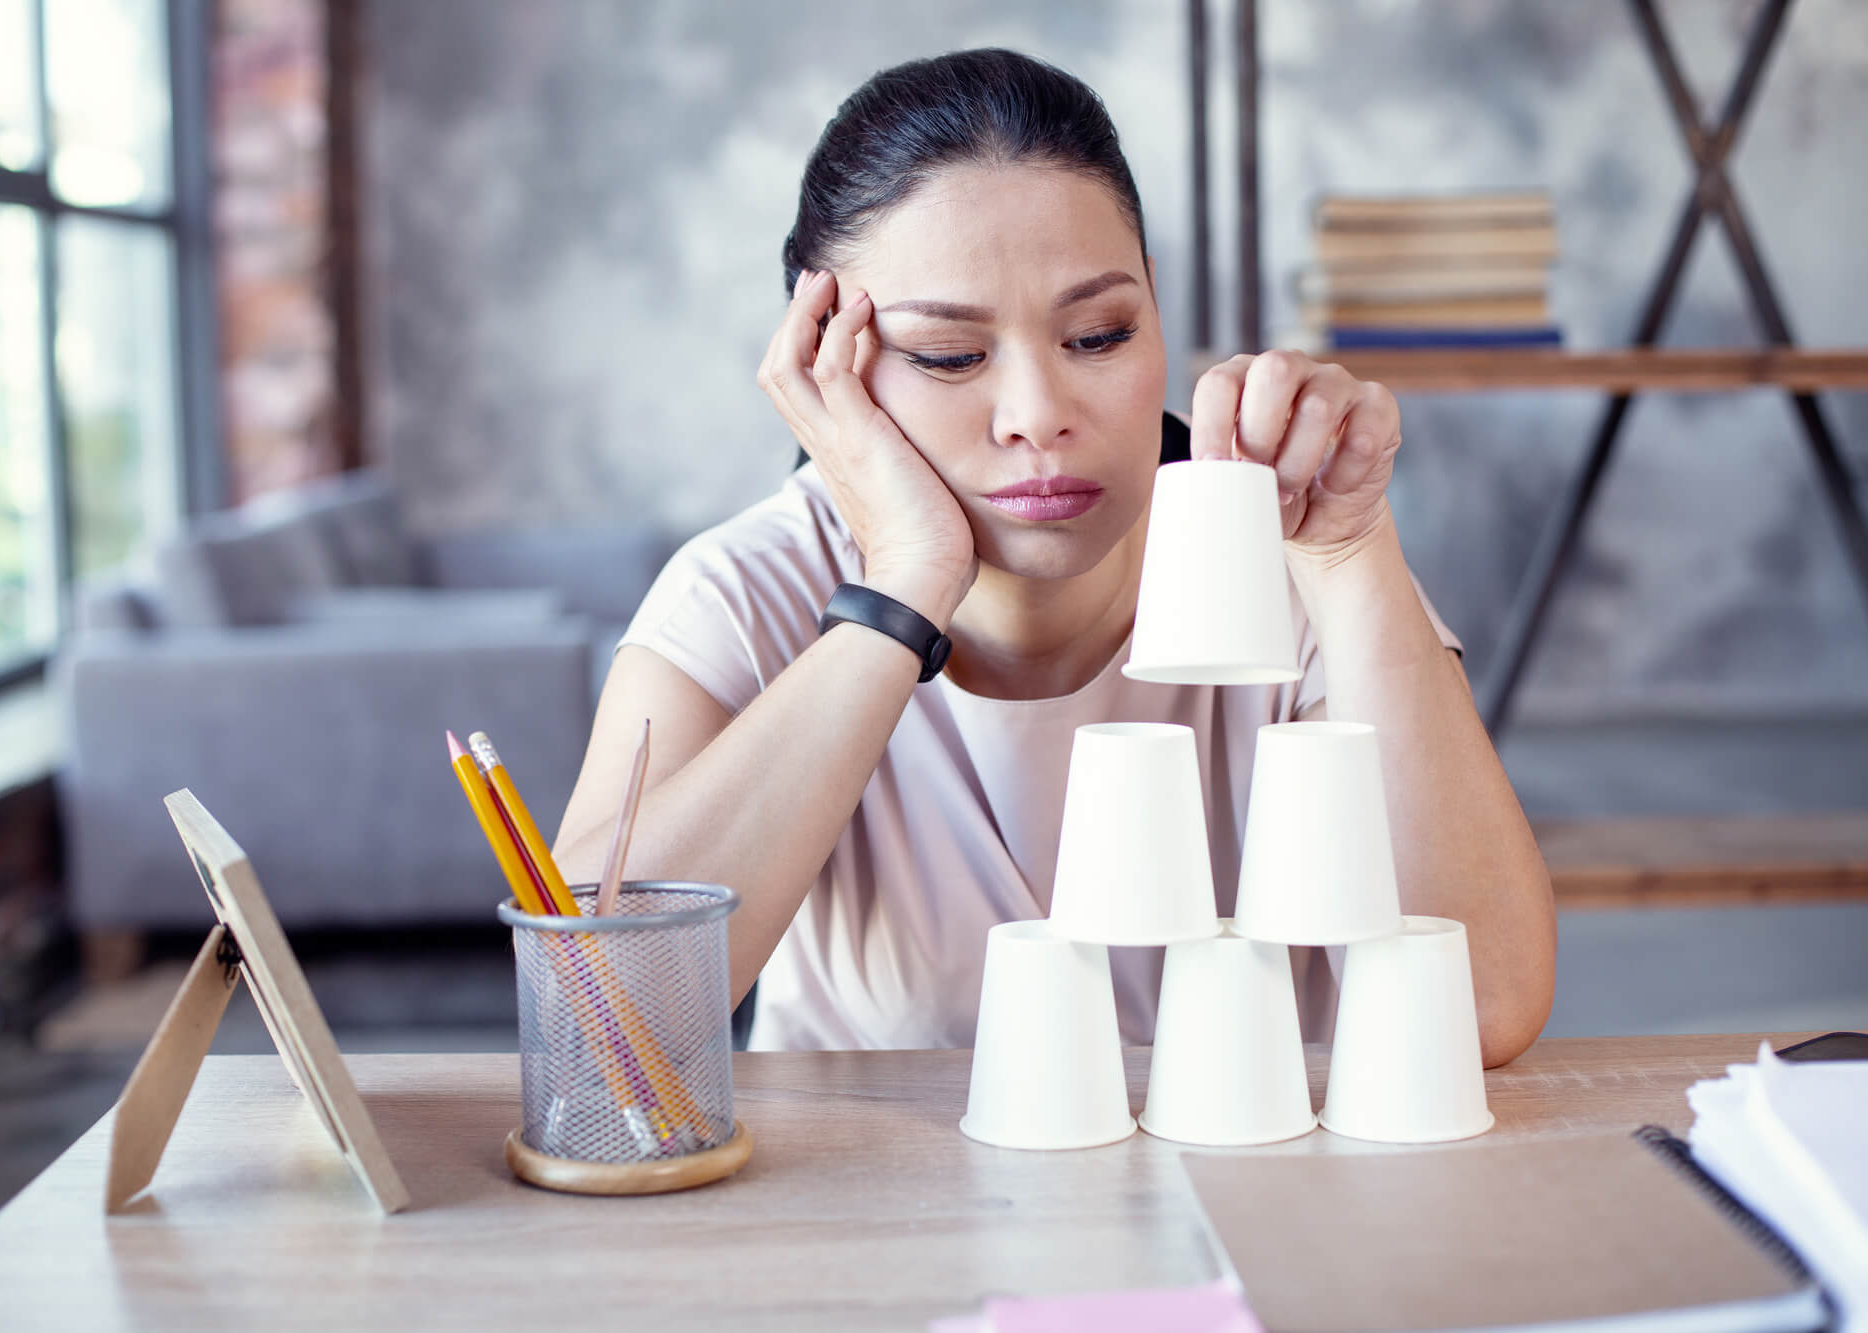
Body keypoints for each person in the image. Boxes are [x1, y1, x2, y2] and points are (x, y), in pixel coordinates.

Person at [552, 48, 1554, 1064]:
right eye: (949, 355)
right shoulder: (747, 589)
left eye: (1098, 334)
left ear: (1155, 313)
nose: (1038, 416)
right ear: (824, 366)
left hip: (1251, 1200)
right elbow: (596, 1022)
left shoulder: (1293, 552)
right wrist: (903, 581)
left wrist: (1350, 552)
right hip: (881, 1204)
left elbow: (1479, 1010)